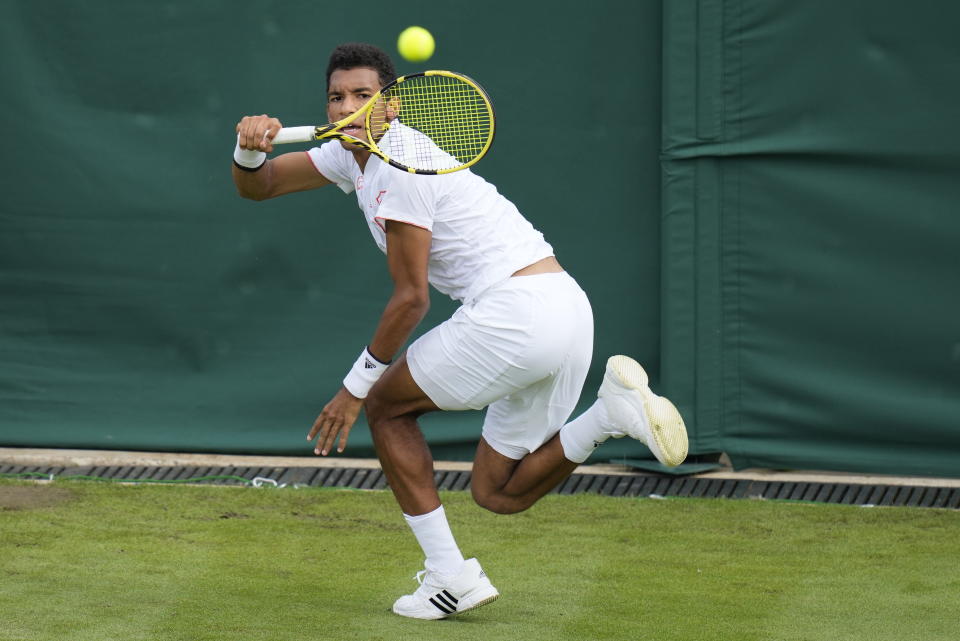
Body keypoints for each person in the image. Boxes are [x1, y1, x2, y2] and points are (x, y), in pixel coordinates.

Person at [232, 42, 688, 620]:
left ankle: (449, 577)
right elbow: (262, 185)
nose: (346, 106)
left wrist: (353, 390)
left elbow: (411, 298)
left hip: (515, 312)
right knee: (498, 493)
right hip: (566, 311)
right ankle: (610, 415)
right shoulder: (353, 152)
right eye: (336, 97)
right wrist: (248, 151)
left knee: (385, 410)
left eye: (362, 96)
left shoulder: (399, 166)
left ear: (390, 107)